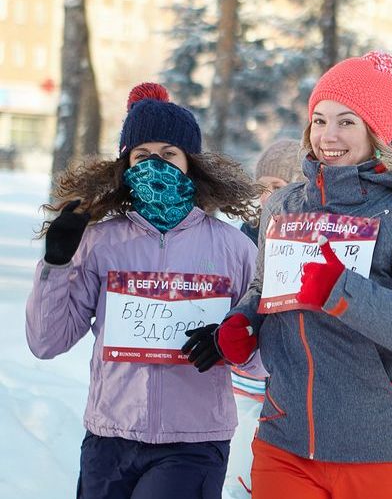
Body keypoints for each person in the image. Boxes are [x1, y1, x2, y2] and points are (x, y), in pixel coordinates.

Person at [182, 51, 392, 498]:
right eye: (319, 120)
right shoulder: (283, 205)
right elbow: (265, 287)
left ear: (378, 133)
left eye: (346, 122)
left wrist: (344, 292)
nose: (328, 136)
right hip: (286, 441)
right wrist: (244, 320)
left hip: (383, 451)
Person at [25, 82, 259, 498]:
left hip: (193, 441)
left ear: (191, 164)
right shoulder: (100, 243)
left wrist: (231, 342)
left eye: (169, 154)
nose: (157, 166)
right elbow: (47, 342)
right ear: (126, 165)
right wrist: (56, 265)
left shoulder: (234, 248)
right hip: (109, 437)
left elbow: (265, 360)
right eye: (143, 155)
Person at [227, 138, 305, 498]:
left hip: (286, 387)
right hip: (242, 383)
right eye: (261, 189)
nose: (265, 199)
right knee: (236, 475)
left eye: (276, 188)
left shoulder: (307, 243)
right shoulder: (243, 242)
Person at [239, 139, 305, 245]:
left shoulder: (317, 233)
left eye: (277, 188)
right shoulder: (250, 232)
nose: (266, 197)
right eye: (261, 187)